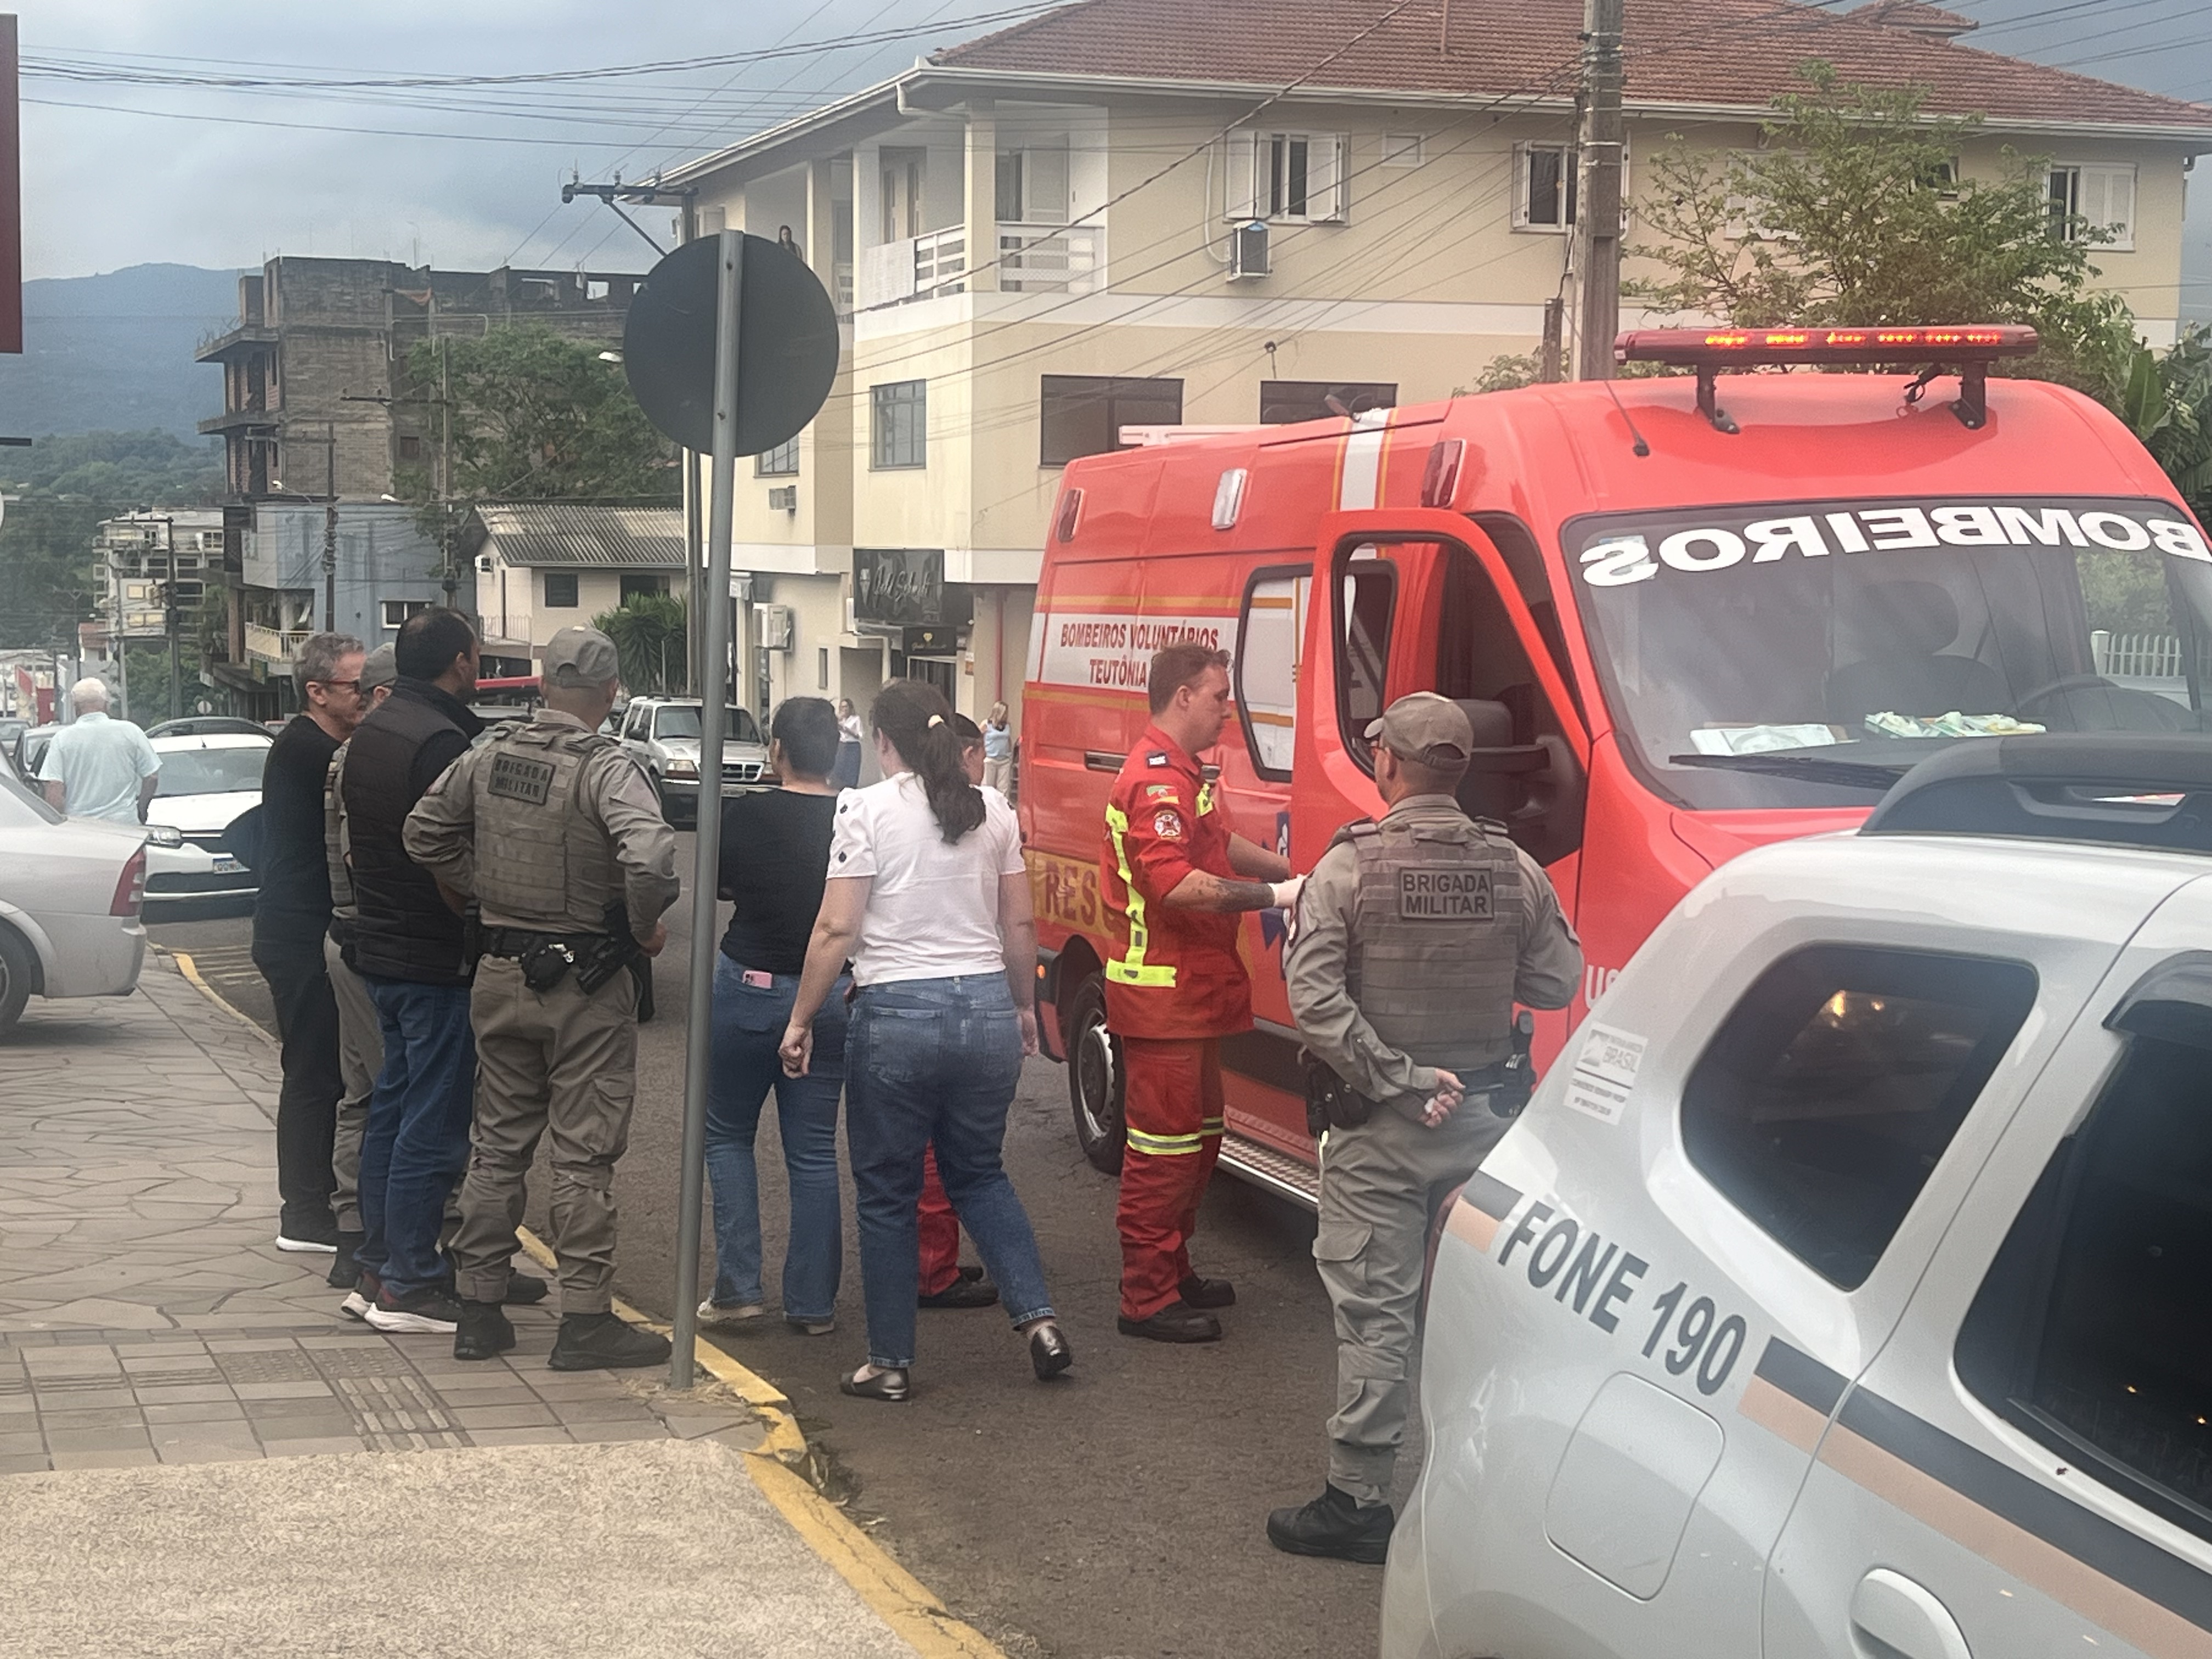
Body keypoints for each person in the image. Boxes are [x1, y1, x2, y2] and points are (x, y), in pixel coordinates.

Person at [1266, 693, 1582, 1564]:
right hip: (1489, 1126)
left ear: (1387, 764)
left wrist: (1399, 1078)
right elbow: (1557, 982)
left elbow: (1314, 1002)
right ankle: (1502, 1495)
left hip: (1381, 1129)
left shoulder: (1348, 869)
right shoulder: (1514, 867)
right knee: (1496, 1315)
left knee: (1378, 1315)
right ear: (1461, 768)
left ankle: (1358, 1502)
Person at [779, 679, 1070, 1402]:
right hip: (985, 1009)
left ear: (883, 742)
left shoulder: (865, 810)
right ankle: (1040, 1322)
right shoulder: (992, 810)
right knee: (980, 1174)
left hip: (898, 1016)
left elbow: (837, 928)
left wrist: (801, 1018)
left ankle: (890, 1363)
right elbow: (1019, 926)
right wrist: (1024, 1007)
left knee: (888, 1193)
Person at [405, 625, 680, 1370]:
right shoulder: (606, 767)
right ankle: (584, 1320)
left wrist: (485, 887)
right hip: (585, 982)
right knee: (583, 1157)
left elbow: (424, 832)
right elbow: (652, 855)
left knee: (497, 1145)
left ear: (543, 684)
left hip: (500, 972)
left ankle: (479, 1308)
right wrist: (640, 926)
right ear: (611, 692)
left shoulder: (489, 754)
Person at [1102, 642, 1298, 1344]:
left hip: (1191, 997)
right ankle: (1146, 1297)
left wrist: (1293, 872)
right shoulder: (1156, 781)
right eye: (1219, 697)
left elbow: (1218, 845)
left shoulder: (1184, 774)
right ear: (1183, 696)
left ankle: (1172, 1269)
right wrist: (1278, 896)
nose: (1228, 711)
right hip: (1165, 1002)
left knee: (1198, 1142)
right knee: (1163, 1153)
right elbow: (1178, 885)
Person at [342, 607, 484, 1334]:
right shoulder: (441, 741)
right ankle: (410, 1280)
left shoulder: (374, 730)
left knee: (393, 1111)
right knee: (433, 1122)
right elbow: (443, 849)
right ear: (461, 661)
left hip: (381, 946)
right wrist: (473, 904)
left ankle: (376, 1264)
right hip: (433, 956)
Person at [698, 696, 850, 1338]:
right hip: (828, 993)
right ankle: (812, 1304)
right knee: (813, 1151)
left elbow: (720, 885)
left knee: (727, 1133)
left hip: (749, 986)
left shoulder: (746, 813)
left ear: (777, 750)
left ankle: (738, 1289)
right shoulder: (854, 817)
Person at [251, 631, 366, 1254]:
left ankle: (315, 1201)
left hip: (300, 925)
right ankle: (304, 1212)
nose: (366, 698)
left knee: (325, 1072)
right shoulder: (311, 751)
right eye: (356, 687)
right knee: (314, 1072)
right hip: (299, 932)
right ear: (317, 691)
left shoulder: (314, 745)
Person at [322, 645, 394, 1290]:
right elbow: (358, 857)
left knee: (363, 1095)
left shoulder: (350, 753)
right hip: (369, 943)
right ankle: (378, 1244)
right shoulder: (370, 757)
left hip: (348, 935)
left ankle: (353, 1232)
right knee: (391, 1092)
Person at [38, 678, 159, 823]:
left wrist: (60, 823)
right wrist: (141, 809)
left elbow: (54, 786)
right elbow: (152, 776)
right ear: (106, 704)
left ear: (76, 707)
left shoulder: (62, 739)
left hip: (82, 827)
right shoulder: (131, 732)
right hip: (125, 824)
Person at [981, 701, 1013, 796]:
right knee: (988, 786)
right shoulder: (987, 724)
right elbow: (978, 737)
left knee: (1003, 788)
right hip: (990, 759)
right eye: (1004, 713)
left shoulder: (1007, 725)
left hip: (1004, 759)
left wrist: (1010, 752)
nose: (1006, 715)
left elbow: (1008, 739)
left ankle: (1001, 804)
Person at [833, 698, 864, 789]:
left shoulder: (856, 719)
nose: (844, 709)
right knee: (839, 770)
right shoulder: (840, 719)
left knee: (851, 772)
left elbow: (860, 736)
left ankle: (851, 789)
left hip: (852, 746)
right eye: (842, 707)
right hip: (841, 745)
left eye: (846, 707)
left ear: (850, 708)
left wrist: (847, 730)